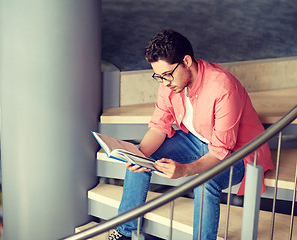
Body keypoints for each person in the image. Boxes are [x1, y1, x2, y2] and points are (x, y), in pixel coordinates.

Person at [106, 29, 274, 240]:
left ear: (186, 61)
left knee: (205, 183)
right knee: (142, 158)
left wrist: (185, 170)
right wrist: (138, 155)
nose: (164, 82)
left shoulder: (222, 87)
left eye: (167, 75)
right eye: (158, 76)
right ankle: (124, 232)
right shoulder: (168, 83)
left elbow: (220, 151)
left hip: (239, 151)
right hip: (198, 139)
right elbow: (159, 126)